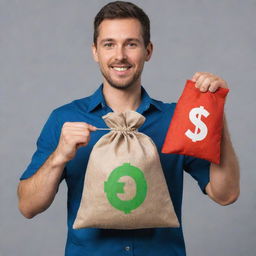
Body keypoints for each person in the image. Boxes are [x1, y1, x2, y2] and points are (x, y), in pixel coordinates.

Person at [17, 1, 240, 255]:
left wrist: (214, 112)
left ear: (148, 51)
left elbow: (225, 194)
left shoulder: (177, 119)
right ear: (95, 51)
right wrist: (59, 156)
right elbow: (27, 206)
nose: (120, 55)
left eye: (131, 44)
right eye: (109, 44)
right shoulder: (65, 119)